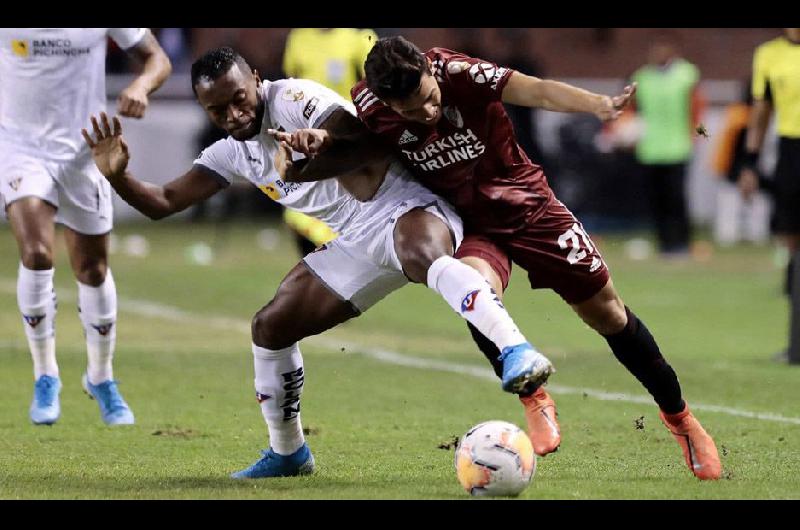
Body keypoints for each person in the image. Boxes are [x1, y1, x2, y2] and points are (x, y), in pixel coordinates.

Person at [81, 47, 553, 478]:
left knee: (421, 255)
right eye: (217, 109)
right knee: (271, 326)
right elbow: (163, 201)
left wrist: (317, 144)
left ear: (257, 80)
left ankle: (516, 350)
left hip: (405, 206)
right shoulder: (231, 152)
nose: (234, 113)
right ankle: (288, 452)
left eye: (239, 98)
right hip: (356, 242)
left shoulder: (294, 99)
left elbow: (366, 139)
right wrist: (119, 177)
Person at [307, 35, 720, 479]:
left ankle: (681, 420)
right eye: (409, 112)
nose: (424, 113)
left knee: (609, 315)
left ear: (429, 71)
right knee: (471, 286)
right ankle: (534, 397)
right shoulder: (370, 105)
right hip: (469, 222)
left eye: (427, 99)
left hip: (529, 207)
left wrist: (596, 105)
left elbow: (537, 90)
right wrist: (320, 141)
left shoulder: (461, 73)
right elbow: (349, 142)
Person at [0, 29, 172, 426]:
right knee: (37, 253)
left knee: (92, 270)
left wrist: (141, 87)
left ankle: (101, 377)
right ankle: (45, 374)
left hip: (86, 149)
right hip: (21, 149)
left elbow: (158, 60)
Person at [281, 28, 378, 256]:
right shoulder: (298, 38)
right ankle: (322, 268)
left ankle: (344, 259)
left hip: (345, 138)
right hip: (306, 139)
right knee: (299, 209)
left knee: (345, 208)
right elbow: (289, 84)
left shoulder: (358, 38)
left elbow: (375, 89)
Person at [738, 28, 800, 364]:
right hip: (791, 151)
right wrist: (750, 163)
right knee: (791, 241)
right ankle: (796, 338)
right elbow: (761, 111)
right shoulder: (768, 54)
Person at [630, 33, 705, 257]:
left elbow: (697, 109)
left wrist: (698, 136)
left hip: (678, 146)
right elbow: (633, 110)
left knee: (677, 198)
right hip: (650, 148)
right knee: (657, 199)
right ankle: (664, 244)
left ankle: (681, 243)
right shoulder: (641, 77)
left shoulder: (687, 74)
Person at [711, 79, 770, 246]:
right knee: (735, 200)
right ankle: (740, 233)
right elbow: (738, 149)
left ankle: (748, 233)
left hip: (736, 167)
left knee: (752, 201)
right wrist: (744, 172)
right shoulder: (743, 117)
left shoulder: (736, 113)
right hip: (736, 167)